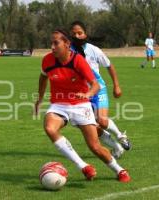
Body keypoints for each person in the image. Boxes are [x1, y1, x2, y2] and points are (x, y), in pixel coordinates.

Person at [34, 29, 131, 182]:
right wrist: (39, 99)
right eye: (51, 43)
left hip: (81, 106)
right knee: (49, 128)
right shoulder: (47, 60)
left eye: (56, 43)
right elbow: (43, 77)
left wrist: (87, 95)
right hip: (59, 105)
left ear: (67, 44)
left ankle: (120, 170)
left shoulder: (78, 61)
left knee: (95, 147)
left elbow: (95, 85)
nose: (52, 47)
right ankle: (83, 166)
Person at [70, 21, 131, 159]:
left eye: (79, 33)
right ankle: (116, 147)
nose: (77, 35)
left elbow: (109, 66)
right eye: (73, 33)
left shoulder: (94, 50)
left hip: (98, 90)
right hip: (81, 94)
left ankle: (121, 136)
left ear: (85, 33)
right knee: (90, 127)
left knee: (102, 121)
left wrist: (116, 85)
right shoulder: (68, 51)